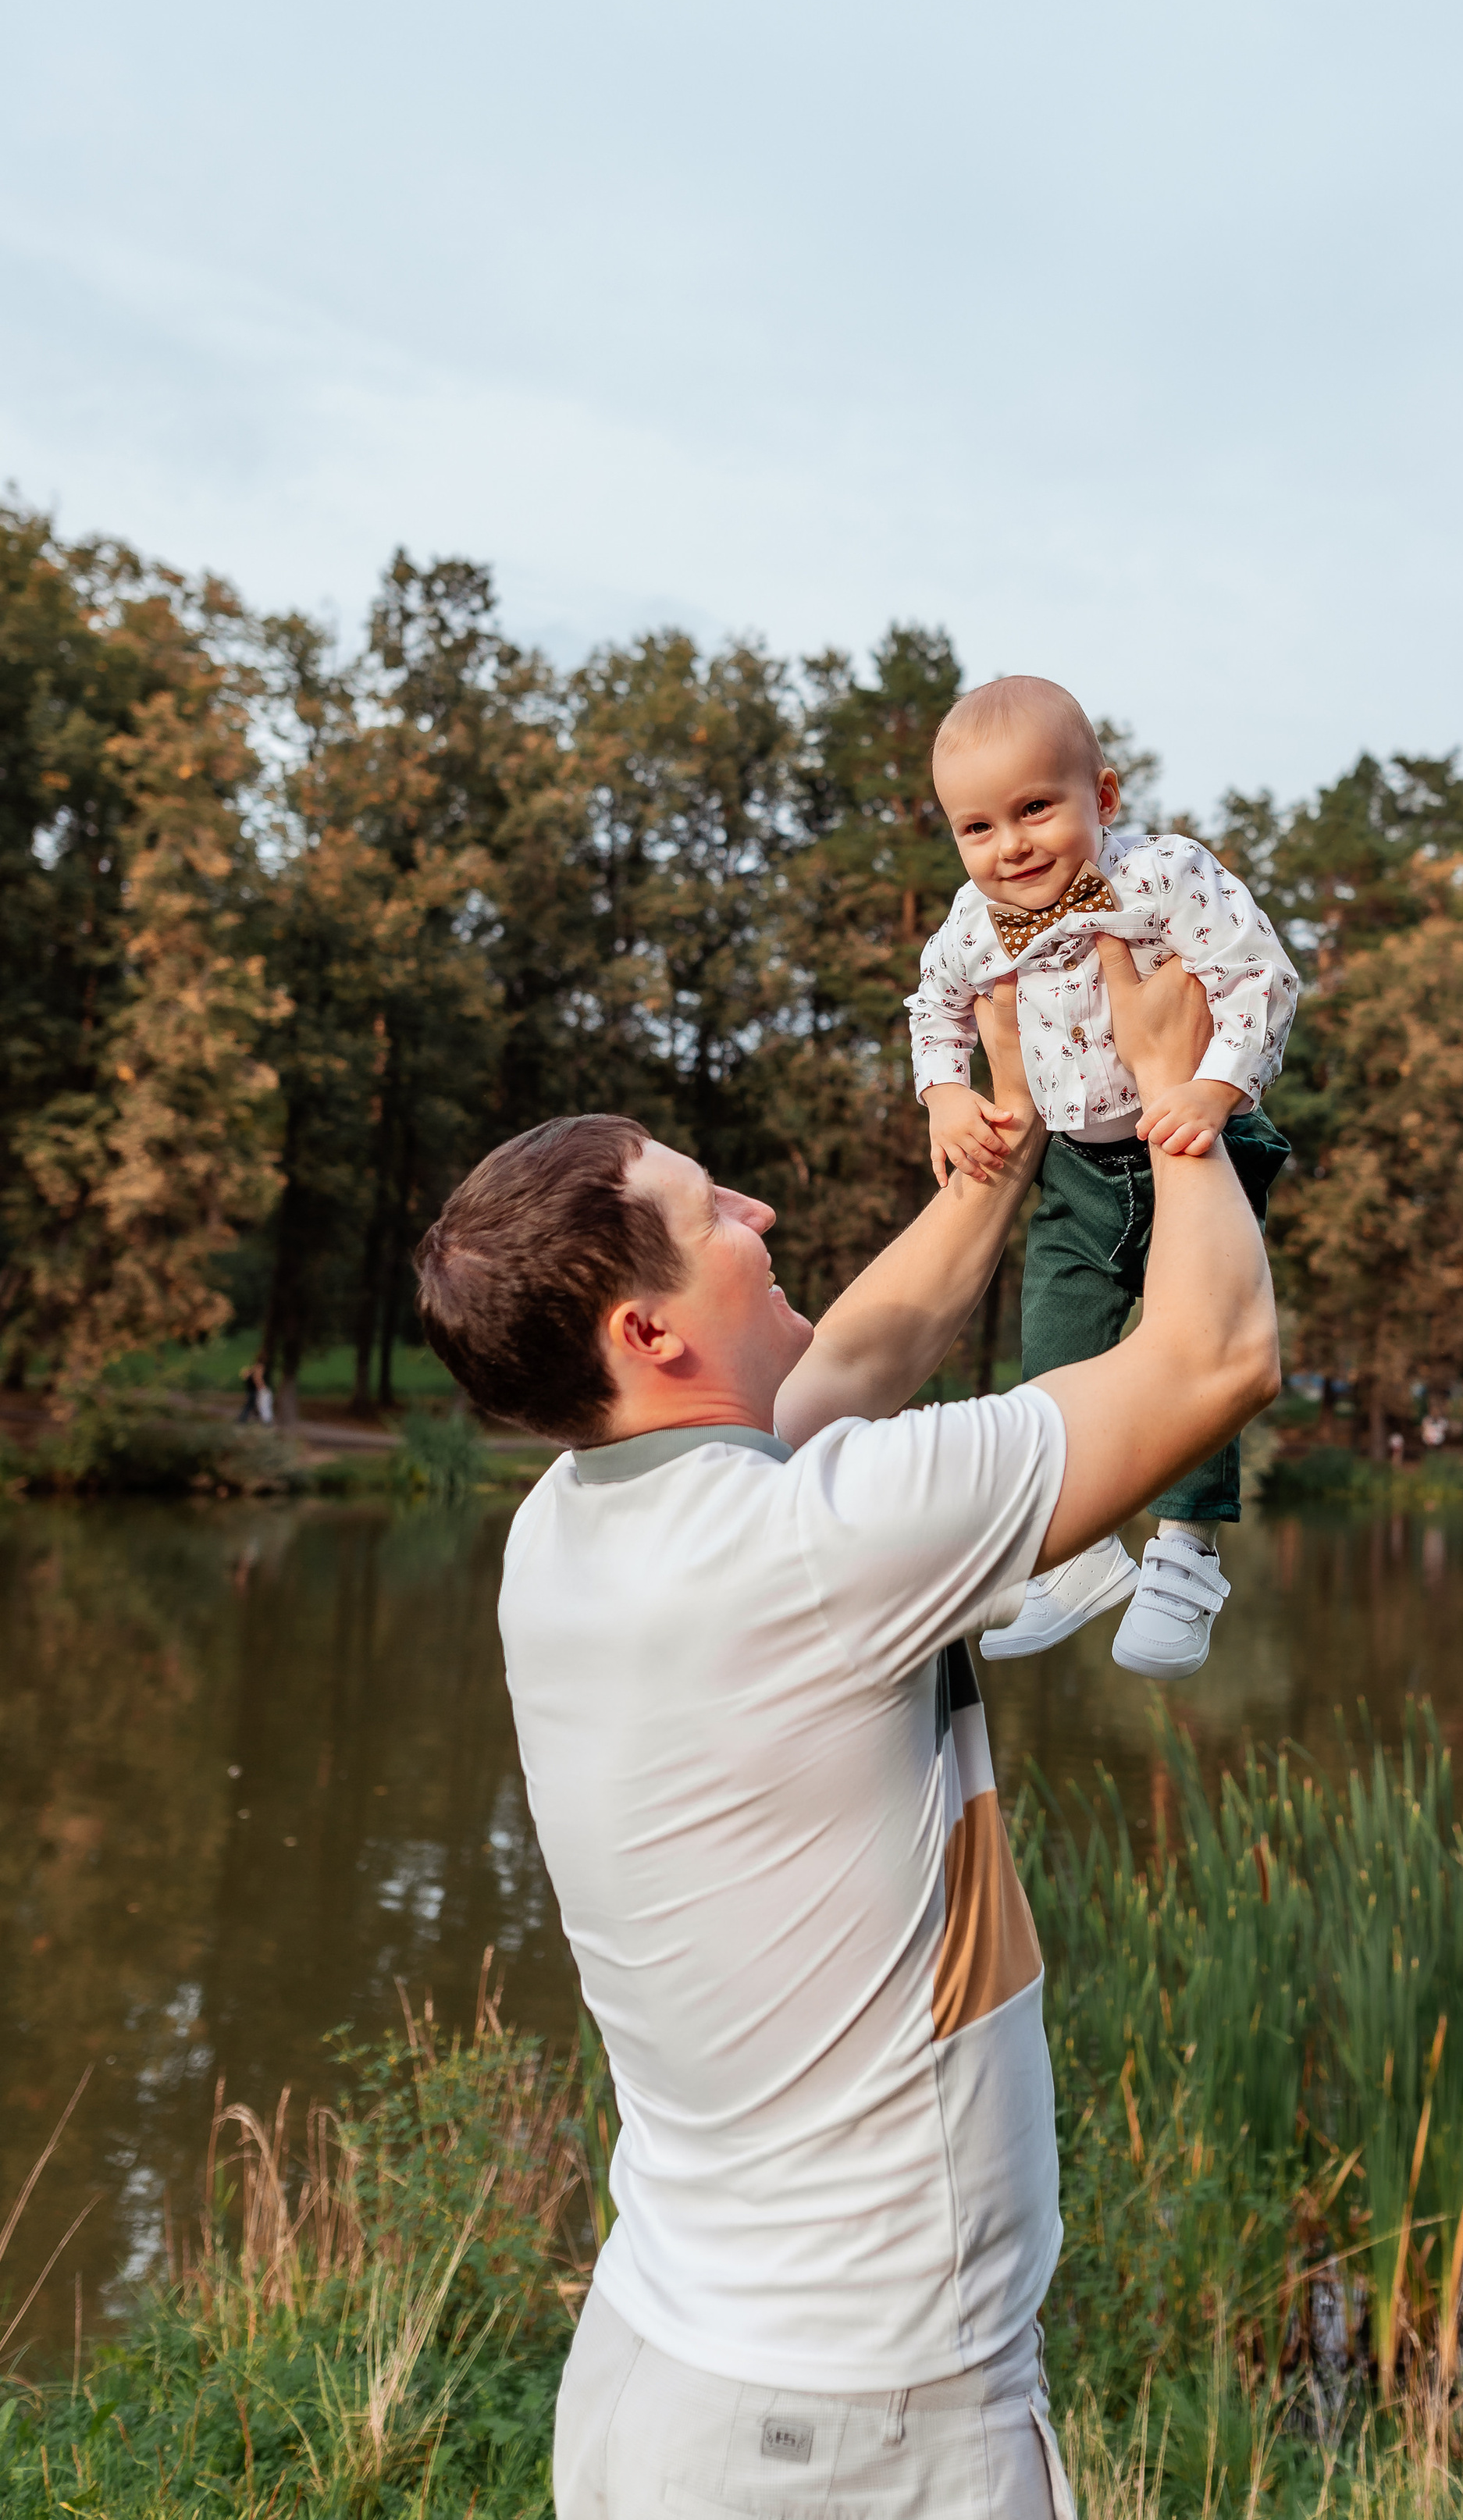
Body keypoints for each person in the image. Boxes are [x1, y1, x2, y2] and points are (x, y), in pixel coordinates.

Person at [411, 948, 1278, 2520]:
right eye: (707, 1213)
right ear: (648, 1332)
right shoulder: (811, 1549)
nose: (753, 1213)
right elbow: (1211, 1360)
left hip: (678, 2374)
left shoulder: (577, 1521)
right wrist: (1177, 1100)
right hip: (847, 2433)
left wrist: (997, 1157)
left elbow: (862, 1357)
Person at [907, 674, 1297, 1679]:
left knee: (1195, 1343)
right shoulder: (972, 918)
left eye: (1037, 808)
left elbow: (1260, 976)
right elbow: (933, 1006)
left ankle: (1187, 1553)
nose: (1013, 847)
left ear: (1104, 798)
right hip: (1080, 1161)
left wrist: (1215, 1091)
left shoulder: (1164, 874)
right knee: (1055, 1340)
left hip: (1190, 1140)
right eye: (978, 826)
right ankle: (1069, 1554)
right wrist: (947, 1095)